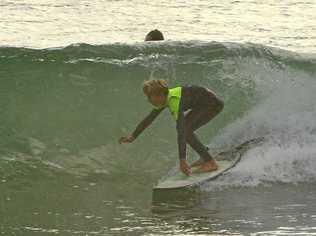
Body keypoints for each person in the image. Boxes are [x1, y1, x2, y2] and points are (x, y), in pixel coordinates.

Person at [118, 79, 224, 176]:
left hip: (213, 104)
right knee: (187, 130)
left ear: (159, 95)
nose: (149, 100)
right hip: (204, 103)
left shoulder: (174, 101)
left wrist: (182, 160)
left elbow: (181, 132)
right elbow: (149, 119)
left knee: (185, 130)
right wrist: (133, 136)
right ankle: (205, 156)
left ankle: (210, 163)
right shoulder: (166, 97)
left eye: (150, 97)